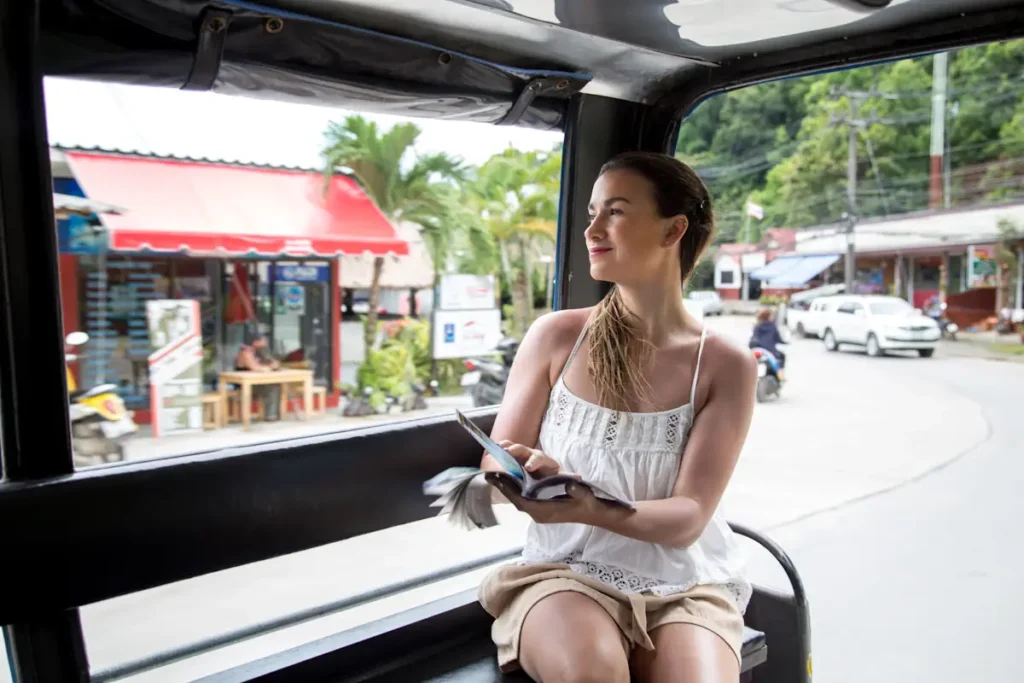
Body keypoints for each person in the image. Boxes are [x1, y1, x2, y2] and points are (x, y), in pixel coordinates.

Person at [477, 152, 757, 683]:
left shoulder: (725, 365)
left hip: (687, 585)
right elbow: (495, 471)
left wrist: (589, 506)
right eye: (591, 213)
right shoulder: (556, 337)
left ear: (674, 229)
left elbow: (689, 517)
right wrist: (522, 473)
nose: (592, 229)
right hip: (563, 572)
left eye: (616, 212)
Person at [234, 332, 281, 421]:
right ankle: (271, 416)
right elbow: (255, 367)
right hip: (244, 385)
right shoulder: (245, 351)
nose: (265, 343)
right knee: (272, 386)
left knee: (276, 384)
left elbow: (272, 364)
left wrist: (271, 363)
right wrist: (267, 367)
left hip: (257, 382)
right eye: (263, 341)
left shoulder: (259, 351)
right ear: (255, 342)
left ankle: (273, 414)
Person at [749, 307, 786, 380]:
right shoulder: (772, 326)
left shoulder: (757, 326)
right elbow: (778, 338)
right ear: (769, 317)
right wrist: (785, 342)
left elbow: (753, 337)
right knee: (780, 357)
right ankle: (781, 377)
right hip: (769, 350)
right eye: (772, 315)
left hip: (755, 348)